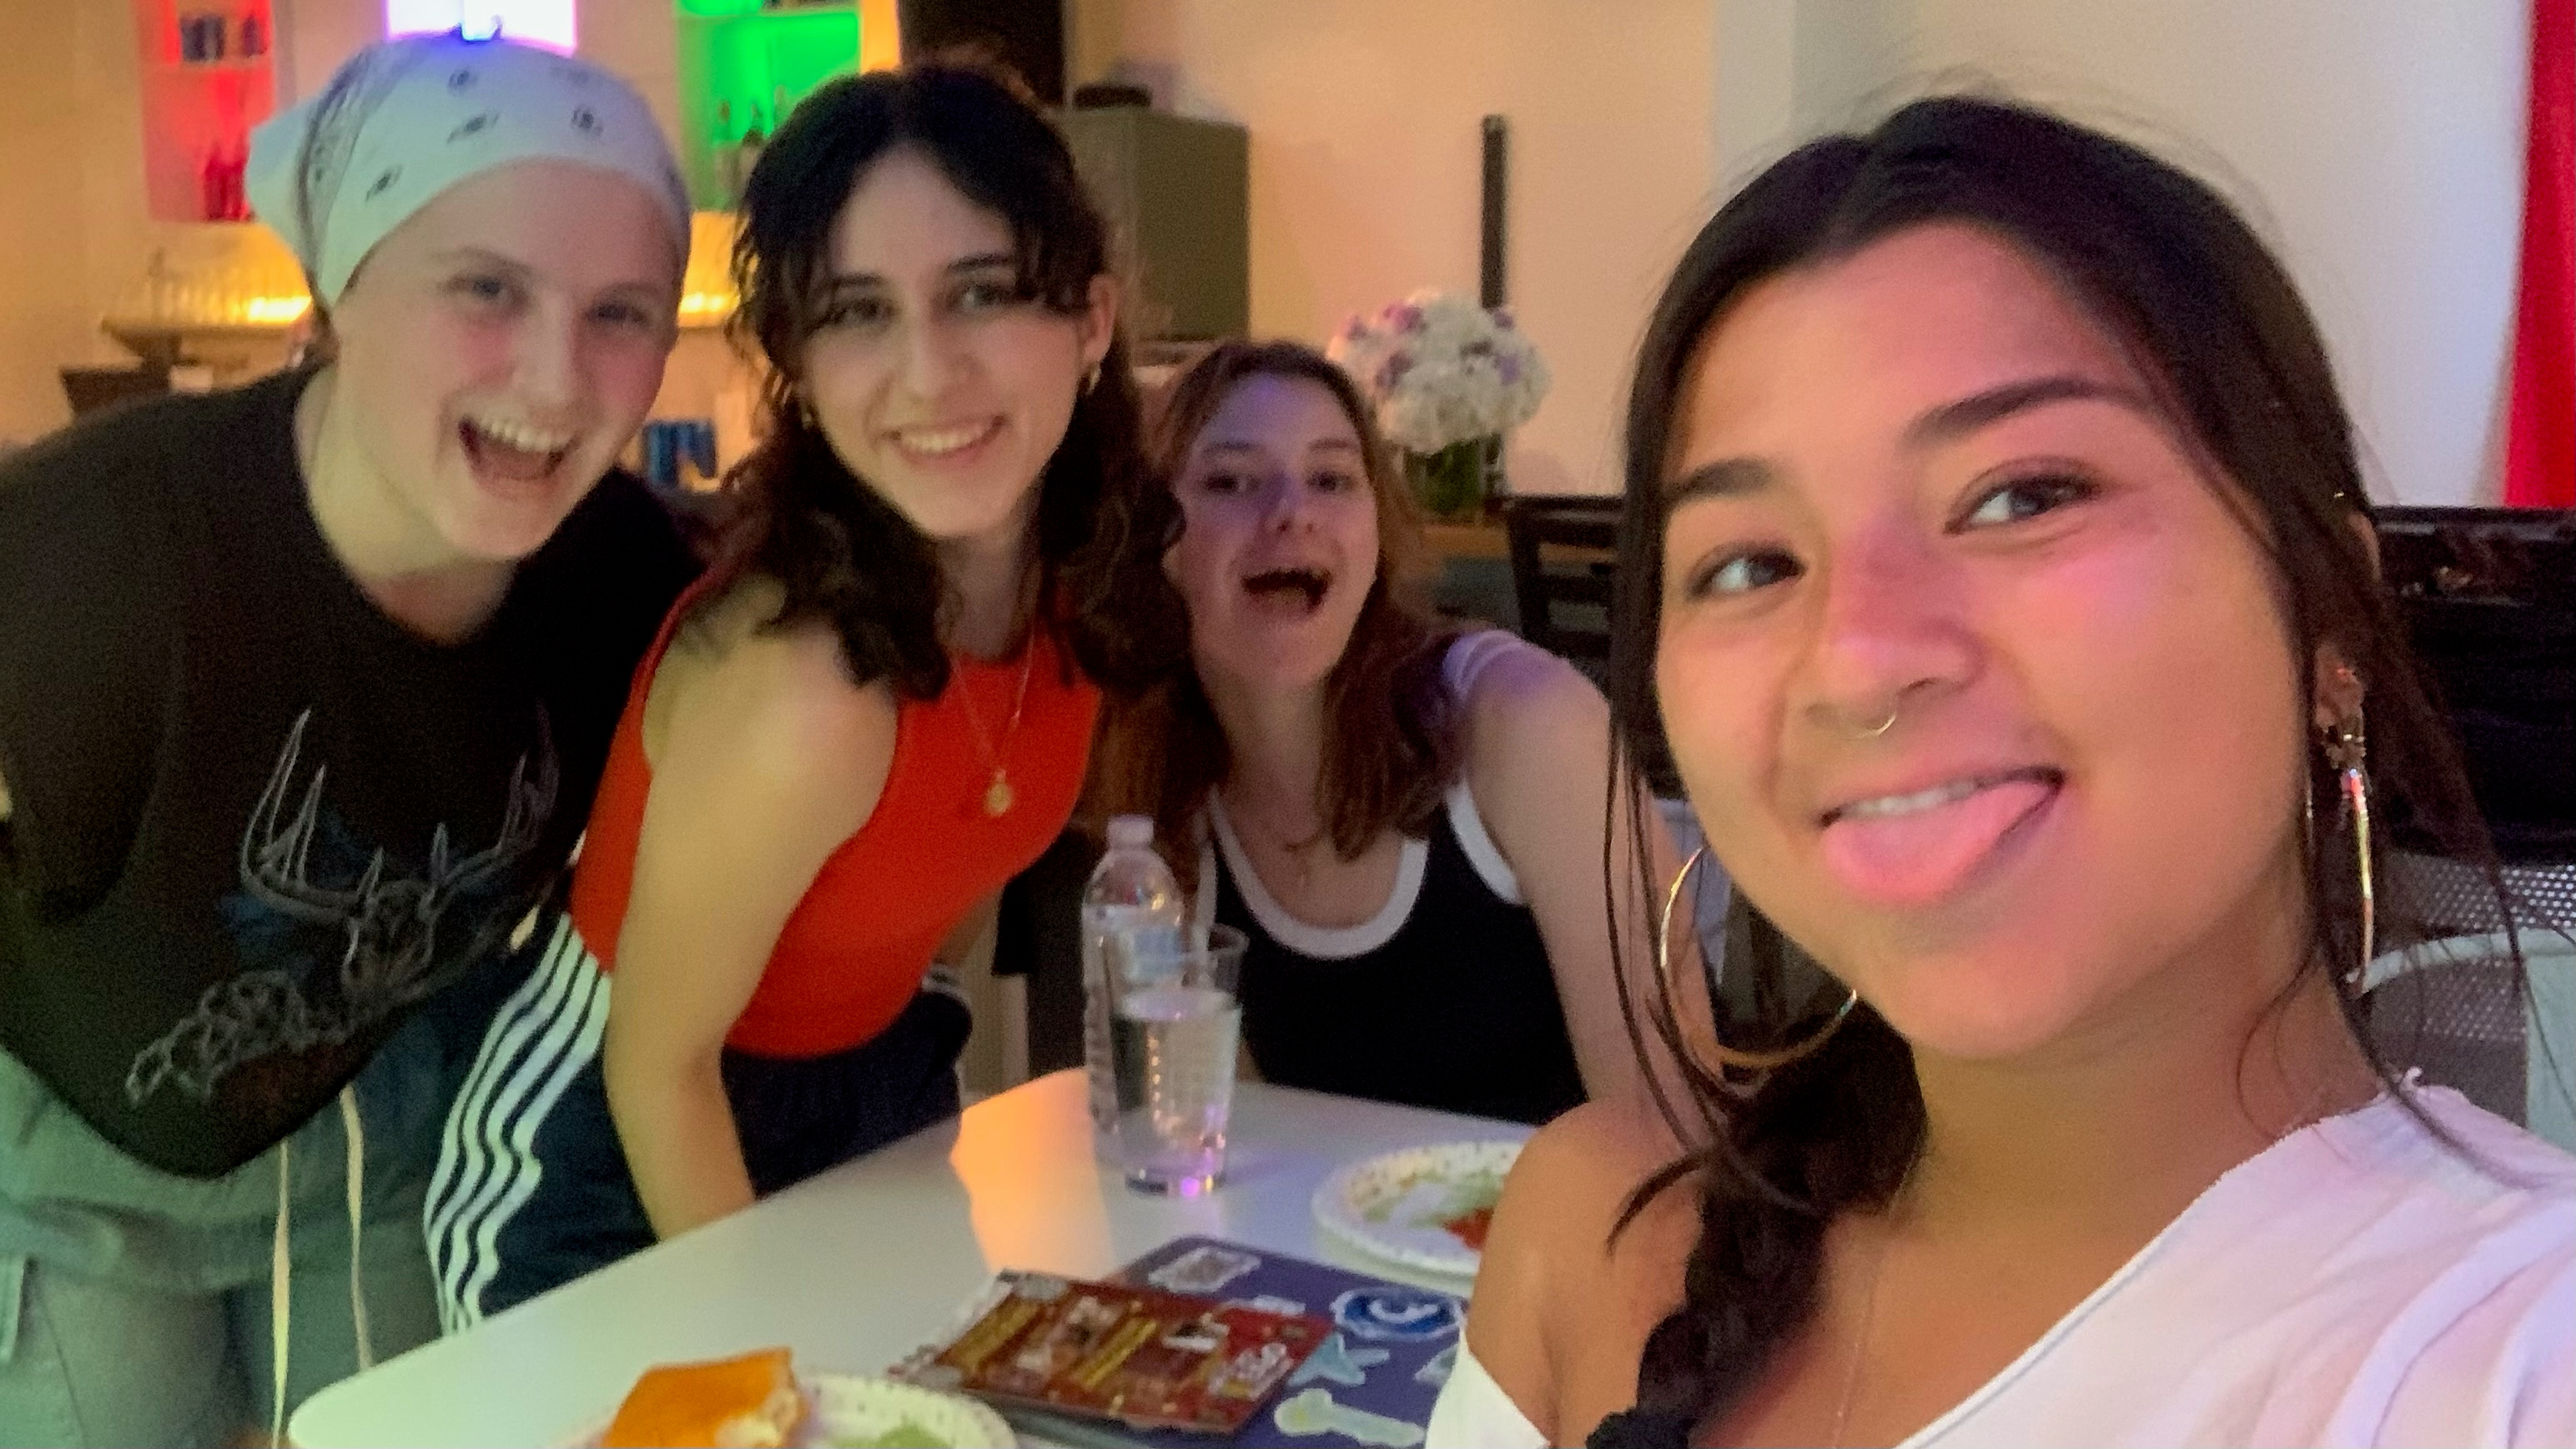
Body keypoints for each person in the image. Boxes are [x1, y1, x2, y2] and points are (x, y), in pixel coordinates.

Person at [1435, 97, 2576, 1448]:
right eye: (1749, 563)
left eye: (2021, 496)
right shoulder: (1593, 1245)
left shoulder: (2512, 1357)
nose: (1856, 660)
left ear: (2331, 623)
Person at [0, 33, 697, 1447]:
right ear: (336, 296)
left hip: (378, 1132)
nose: (556, 379)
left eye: (622, 311)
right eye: (486, 287)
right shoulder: (93, 551)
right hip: (64, 1160)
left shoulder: (626, 583)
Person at [425, 60, 1184, 1328]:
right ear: (798, 362)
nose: (928, 373)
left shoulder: (1079, 600)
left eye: (982, 292)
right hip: (612, 1159)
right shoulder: (805, 686)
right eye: (858, 312)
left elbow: (942, 895)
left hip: (871, 1088)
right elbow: (655, 1071)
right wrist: (773, 1355)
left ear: (1092, 321)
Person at [1086, 339, 1682, 1124]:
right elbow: (1229, 1133)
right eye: (1230, 481)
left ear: (1375, 536)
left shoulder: (1524, 721)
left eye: (1332, 478)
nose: (1293, 509)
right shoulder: (1160, 797)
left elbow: (1671, 1133)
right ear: (1153, 543)